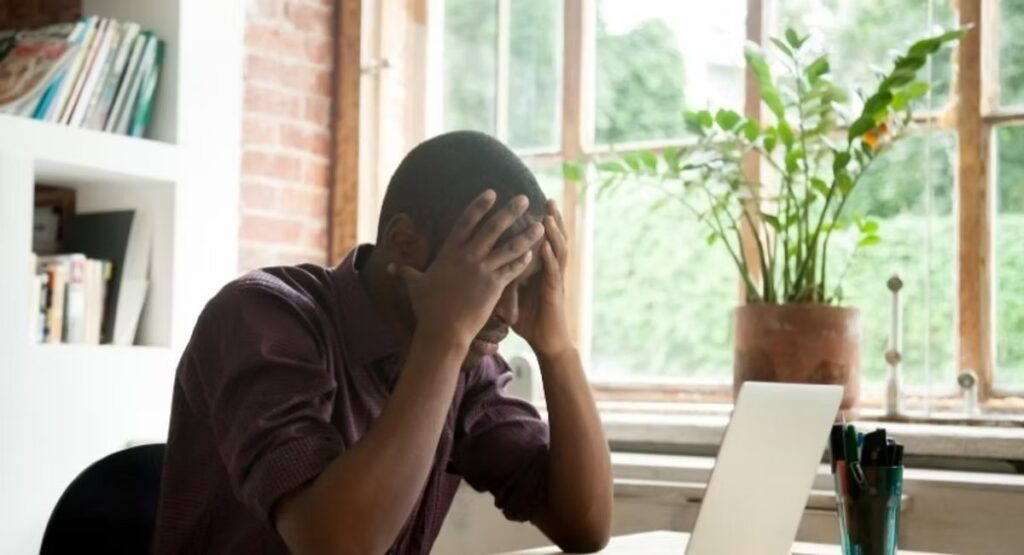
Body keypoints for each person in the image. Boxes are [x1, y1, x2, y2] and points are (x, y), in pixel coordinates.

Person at [153, 131, 613, 554]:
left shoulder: (464, 363)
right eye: (490, 273)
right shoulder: (262, 317)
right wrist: (443, 340)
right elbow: (336, 546)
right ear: (402, 242)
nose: (510, 313)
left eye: (521, 281)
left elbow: (584, 528)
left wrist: (557, 349)